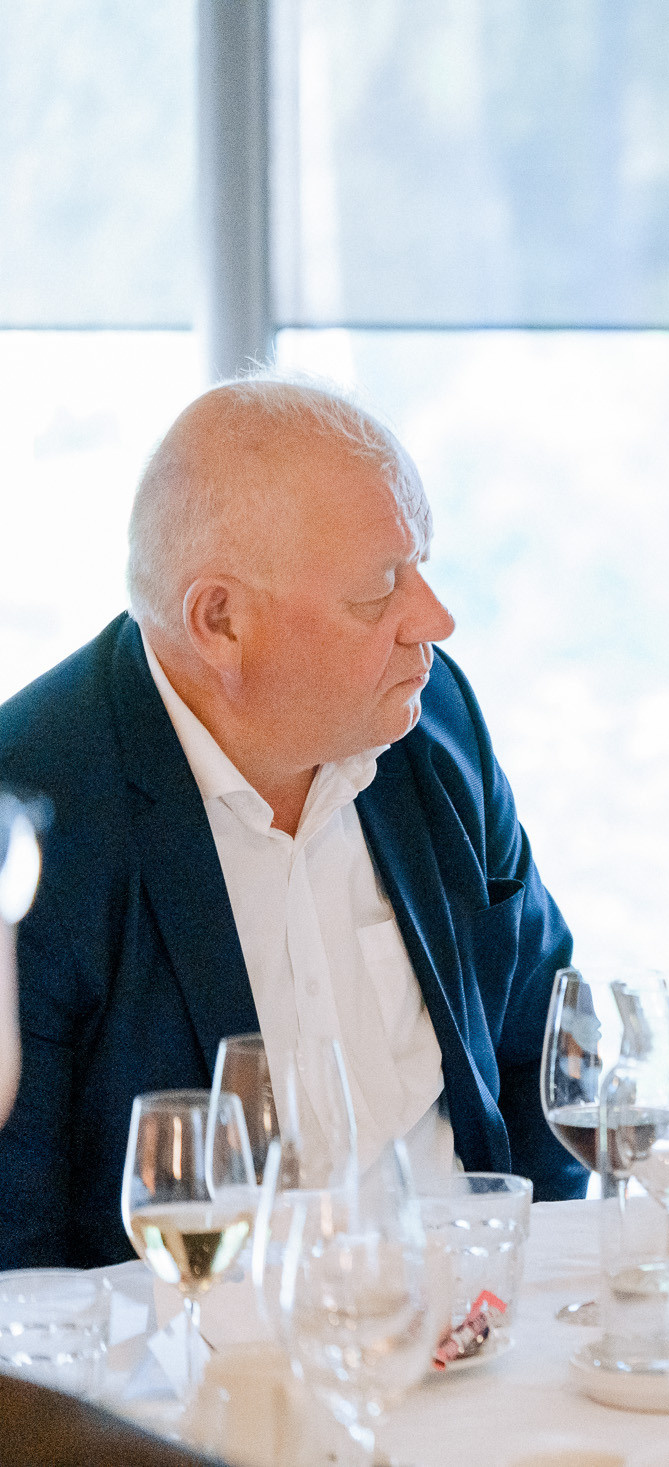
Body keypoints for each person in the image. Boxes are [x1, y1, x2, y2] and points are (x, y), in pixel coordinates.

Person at [0, 375, 586, 1269]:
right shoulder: (33, 806)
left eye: (420, 565)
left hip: (472, 1329)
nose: (434, 619)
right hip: (177, 1375)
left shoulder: (435, 726)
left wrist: (535, 1301)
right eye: (378, 589)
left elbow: (540, 1049)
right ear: (220, 621)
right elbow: (16, 1249)